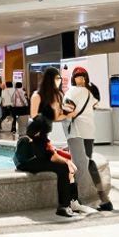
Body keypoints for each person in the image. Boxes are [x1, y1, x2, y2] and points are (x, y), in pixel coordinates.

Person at [23, 67, 82, 217]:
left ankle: (72, 201)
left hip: (46, 142)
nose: (59, 81)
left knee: (68, 162)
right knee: (65, 166)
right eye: (57, 78)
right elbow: (35, 118)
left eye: (60, 78)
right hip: (37, 150)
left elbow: (56, 116)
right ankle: (65, 204)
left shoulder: (57, 95)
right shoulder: (37, 97)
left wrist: (69, 114)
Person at [66, 70, 113, 212]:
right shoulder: (90, 91)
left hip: (77, 131)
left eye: (81, 76)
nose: (80, 79)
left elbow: (68, 109)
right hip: (87, 130)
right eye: (78, 76)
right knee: (87, 161)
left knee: (78, 163)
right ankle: (102, 198)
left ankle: (77, 199)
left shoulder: (74, 91)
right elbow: (94, 104)